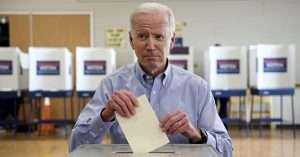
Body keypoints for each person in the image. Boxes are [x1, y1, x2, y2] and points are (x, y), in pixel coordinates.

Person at [69, 2, 232, 157]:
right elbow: (76, 147)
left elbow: (226, 151)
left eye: (159, 37)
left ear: (172, 40)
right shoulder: (111, 85)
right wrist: (105, 115)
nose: (151, 45)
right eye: (142, 36)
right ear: (131, 41)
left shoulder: (197, 88)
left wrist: (196, 134)